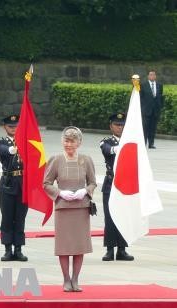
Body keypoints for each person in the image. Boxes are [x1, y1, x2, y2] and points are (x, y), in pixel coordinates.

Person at [43, 126, 96, 292]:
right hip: (63, 207)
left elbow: (93, 182)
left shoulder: (86, 160)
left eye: (72, 141)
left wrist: (85, 191)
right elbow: (46, 183)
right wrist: (60, 193)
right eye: (66, 140)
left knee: (79, 246)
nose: (69, 144)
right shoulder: (56, 160)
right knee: (64, 246)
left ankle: (75, 279)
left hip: (80, 208)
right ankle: (66, 279)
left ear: (79, 143)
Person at [100, 113, 134, 262]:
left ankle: (122, 249)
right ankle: (109, 249)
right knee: (110, 217)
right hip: (111, 183)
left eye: (122, 125)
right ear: (110, 126)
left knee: (123, 216)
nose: (120, 127)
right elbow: (109, 150)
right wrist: (126, 146)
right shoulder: (105, 141)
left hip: (125, 184)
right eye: (117, 125)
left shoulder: (131, 142)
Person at [0, 113, 28, 262]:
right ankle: (8, 249)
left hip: (23, 182)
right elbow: (4, 151)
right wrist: (16, 146)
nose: (13, 129)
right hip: (8, 182)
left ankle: (19, 249)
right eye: (10, 126)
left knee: (20, 218)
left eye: (16, 126)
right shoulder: (0, 142)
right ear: (4, 127)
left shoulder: (27, 140)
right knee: (7, 218)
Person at [140, 70, 164, 149]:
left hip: (155, 110)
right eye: (151, 74)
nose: (152, 76)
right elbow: (140, 97)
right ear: (148, 76)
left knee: (153, 128)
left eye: (154, 75)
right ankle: (143, 143)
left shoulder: (159, 85)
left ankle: (151, 143)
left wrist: (160, 106)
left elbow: (160, 97)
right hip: (146, 110)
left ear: (155, 76)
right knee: (145, 127)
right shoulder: (143, 85)